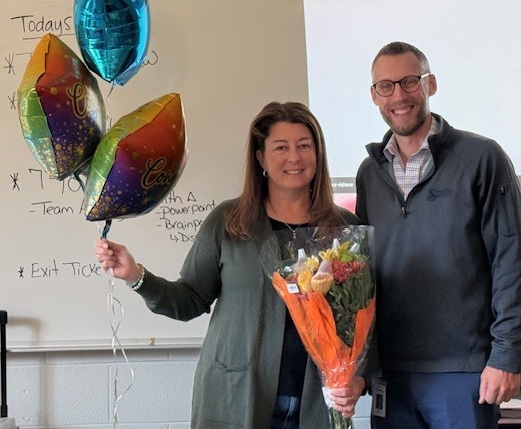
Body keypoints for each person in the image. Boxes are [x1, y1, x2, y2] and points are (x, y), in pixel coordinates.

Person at [95, 101, 366, 429]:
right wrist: (136, 275)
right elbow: (190, 300)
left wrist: (359, 381)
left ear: (318, 154)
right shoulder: (229, 222)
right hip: (236, 398)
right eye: (281, 147)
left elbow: (365, 321)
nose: (294, 157)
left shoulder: (345, 231)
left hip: (317, 402)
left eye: (304, 146)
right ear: (261, 158)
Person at [356, 42, 521, 429]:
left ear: (430, 84)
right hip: (392, 373)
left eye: (409, 82)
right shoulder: (369, 173)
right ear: (374, 95)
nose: (399, 96)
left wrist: (506, 355)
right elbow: (365, 275)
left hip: (464, 372)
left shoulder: (482, 158)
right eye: (385, 86)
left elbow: (511, 261)